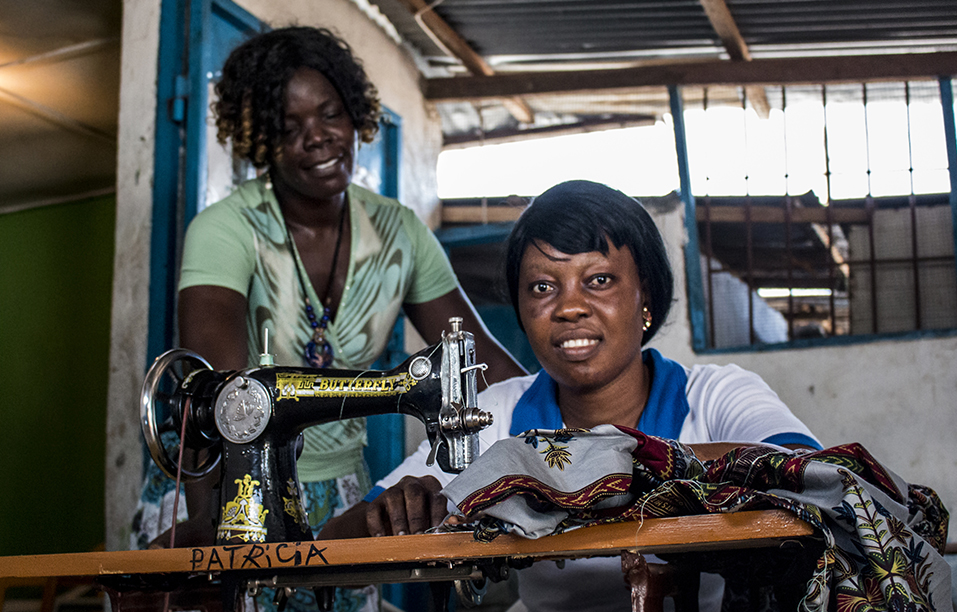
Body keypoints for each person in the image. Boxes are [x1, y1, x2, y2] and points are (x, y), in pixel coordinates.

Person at [130, 24, 525, 609]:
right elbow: (220, 403)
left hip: (341, 491)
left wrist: (572, 432)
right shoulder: (226, 231)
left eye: (331, 114)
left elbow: (485, 366)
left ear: (355, 114)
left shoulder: (400, 232)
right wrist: (217, 532)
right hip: (214, 489)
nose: (317, 139)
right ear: (259, 139)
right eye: (288, 128)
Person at [318, 180, 821, 612]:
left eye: (599, 280)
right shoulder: (495, 415)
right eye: (541, 287)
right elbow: (333, 545)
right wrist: (394, 512)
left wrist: (601, 465)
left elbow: (817, 479)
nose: (569, 307)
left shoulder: (715, 396)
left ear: (645, 294)